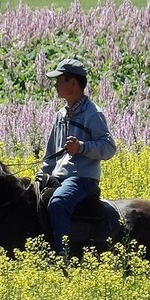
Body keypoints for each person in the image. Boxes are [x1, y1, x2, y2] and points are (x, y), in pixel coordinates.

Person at [35, 58, 118, 258]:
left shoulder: (92, 113)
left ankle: (62, 253)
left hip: (82, 179)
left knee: (58, 202)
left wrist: (81, 147)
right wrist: (40, 177)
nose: (55, 85)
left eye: (59, 80)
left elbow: (109, 148)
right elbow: (50, 154)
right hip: (59, 177)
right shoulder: (60, 115)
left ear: (73, 83)